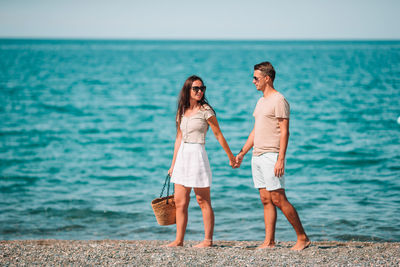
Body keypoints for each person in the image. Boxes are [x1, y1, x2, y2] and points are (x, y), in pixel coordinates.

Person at [235, 62, 310, 250]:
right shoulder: (260, 101)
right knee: (265, 199)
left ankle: (302, 238)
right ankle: (269, 242)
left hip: (271, 155)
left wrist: (280, 158)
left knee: (278, 198)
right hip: (257, 155)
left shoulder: (279, 100)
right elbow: (255, 130)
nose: (253, 81)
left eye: (256, 78)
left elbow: (285, 132)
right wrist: (243, 152)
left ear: (267, 78)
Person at [167, 75, 236, 248]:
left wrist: (231, 156)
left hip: (197, 155)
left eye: (202, 88)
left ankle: (207, 240)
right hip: (182, 155)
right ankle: (179, 240)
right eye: (196, 88)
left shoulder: (206, 110)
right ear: (188, 90)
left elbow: (218, 134)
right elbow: (178, 138)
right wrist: (173, 164)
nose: (200, 91)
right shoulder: (181, 110)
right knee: (180, 202)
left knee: (202, 200)